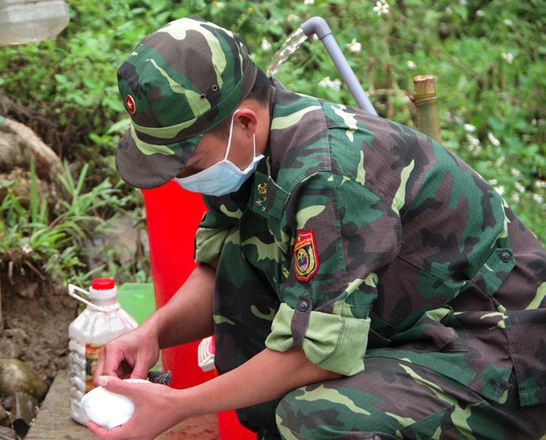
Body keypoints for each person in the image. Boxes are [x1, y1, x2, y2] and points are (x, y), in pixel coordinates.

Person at [90, 16, 546, 439]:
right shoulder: (247, 150)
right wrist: (150, 333)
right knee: (244, 272)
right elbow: (218, 270)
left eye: (187, 163)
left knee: (318, 416)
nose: (182, 177)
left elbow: (314, 354)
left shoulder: (328, 177)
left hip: (501, 350)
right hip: (418, 326)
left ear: (244, 121)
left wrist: (178, 405)